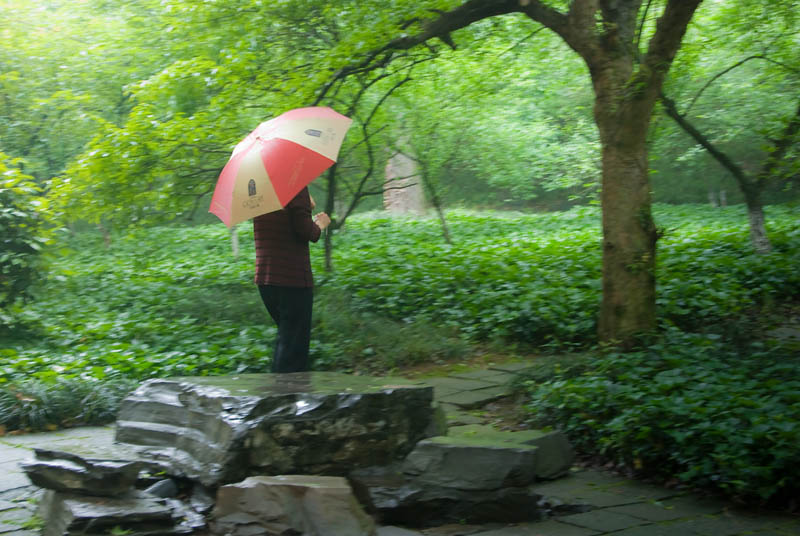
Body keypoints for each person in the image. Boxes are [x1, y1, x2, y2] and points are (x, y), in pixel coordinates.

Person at [253, 187, 330, 373]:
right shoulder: (295, 188)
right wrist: (321, 223)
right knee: (293, 352)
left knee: (286, 342)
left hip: (266, 279)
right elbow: (308, 233)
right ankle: (286, 398)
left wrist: (304, 206)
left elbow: (282, 225)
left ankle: (279, 396)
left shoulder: (258, 191)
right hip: (292, 279)